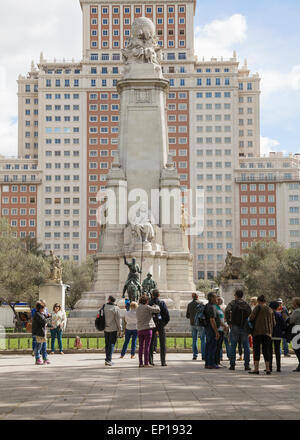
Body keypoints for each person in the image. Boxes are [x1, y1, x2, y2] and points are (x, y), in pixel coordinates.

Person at [248, 295, 275, 375]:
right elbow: (274, 323)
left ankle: (256, 369)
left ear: (259, 301)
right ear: (265, 301)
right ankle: (268, 369)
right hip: (268, 333)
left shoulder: (257, 307)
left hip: (257, 332)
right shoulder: (270, 309)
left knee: (256, 350)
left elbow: (251, 318)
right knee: (266, 351)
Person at [225, 290, 252, 371]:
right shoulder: (246, 304)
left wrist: (229, 322)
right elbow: (250, 313)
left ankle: (232, 365)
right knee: (246, 346)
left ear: (236, 295)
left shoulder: (232, 303)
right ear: (242, 295)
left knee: (233, 345)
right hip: (244, 327)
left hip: (235, 326)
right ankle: (246, 365)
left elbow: (226, 310)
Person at [136, 295, 160, 367]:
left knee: (140, 347)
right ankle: (146, 363)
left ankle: (140, 363)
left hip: (140, 329)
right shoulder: (147, 307)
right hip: (147, 328)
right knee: (147, 346)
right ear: (146, 301)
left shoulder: (137, 308)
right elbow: (157, 310)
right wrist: (156, 305)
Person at [149, 289, 170, 366]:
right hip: (160, 324)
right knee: (162, 343)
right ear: (159, 295)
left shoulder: (149, 303)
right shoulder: (162, 303)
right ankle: (163, 361)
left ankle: (150, 361)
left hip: (151, 325)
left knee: (150, 343)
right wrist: (162, 324)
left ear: (152, 295)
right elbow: (167, 316)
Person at [186, 293, 206, 361]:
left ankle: (195, 355)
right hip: (200, 323)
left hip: (192, 323)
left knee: (194, 340)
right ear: (198, 296)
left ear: (192, 297)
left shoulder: (189, 304)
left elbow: (187, 315)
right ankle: (203, 355)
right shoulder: (201, 303)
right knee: (203, 339)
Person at [103, 296, 122, 366]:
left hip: (105, 328)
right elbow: (118, 320)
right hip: (113, 329)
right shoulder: (116, 308)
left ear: (109, 300)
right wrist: (120, 330)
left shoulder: (104, 307)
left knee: (107, 344)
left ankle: (107, 359)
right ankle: (108, 359)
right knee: (111, 344)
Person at [203, 292, 220, 369]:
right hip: (211, 329)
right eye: (215, 297)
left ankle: (207, 363)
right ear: (212, 298)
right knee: (212, 346)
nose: (217, 299)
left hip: (208, 328)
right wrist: (216, 332)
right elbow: (212, 320)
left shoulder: (207, 306)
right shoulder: (212, 307)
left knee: (208, 345)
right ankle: (211, 363)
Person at [31, 301, 52, 365]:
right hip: (39, 333)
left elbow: (44, 320)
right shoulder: (37, 314)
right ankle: (37, 359)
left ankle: (45, 358)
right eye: (43, 308)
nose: (44, 309)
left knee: (44, 346)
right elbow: (44, 322)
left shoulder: (41, 314)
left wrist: (48, 317)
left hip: (42, 333)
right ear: (40, 308)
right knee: (39, 346)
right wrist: (49, 321)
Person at [269, 301, 286, 372]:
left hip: (270, 334)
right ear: (277, 307)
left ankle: (269, 367)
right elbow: (283, 325)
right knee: (277, 351)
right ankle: (278, 367)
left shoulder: (269, 314)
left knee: (269, 351)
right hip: (278, 335)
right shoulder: (279, 315)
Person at [215, 297, 228, 367]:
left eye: (220, 299)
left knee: (219, 346)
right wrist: (224, 326)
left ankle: (218, 362)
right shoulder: (215, 308)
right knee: (217, 346)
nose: (219, 300)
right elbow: (218, 320)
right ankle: (216, 362)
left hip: (221, 329)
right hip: (218, 329)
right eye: (218, 299)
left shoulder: (219, 308)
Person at [289, 297, 300, 372]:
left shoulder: (296, 311)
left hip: (297, 330)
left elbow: (291, 321)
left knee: (297, 348)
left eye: (293, 302)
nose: (292, 303)